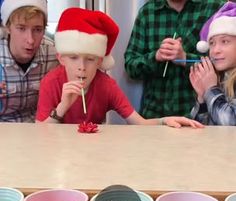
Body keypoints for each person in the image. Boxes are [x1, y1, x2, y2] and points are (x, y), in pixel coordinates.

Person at [36, 7, 202, 129]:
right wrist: (62, 108)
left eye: (90, 59)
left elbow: (138, 123)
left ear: (100, 61)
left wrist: (165, 120)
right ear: (61, 58)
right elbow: (41, 133)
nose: (82, 67)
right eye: (73, 58)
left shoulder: (106, 86)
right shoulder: (51, 83)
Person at [124, 0, 225, 119]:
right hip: (154, 117)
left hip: (201, 117)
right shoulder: (148, 12)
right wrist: (156, 56)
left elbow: (227, 63)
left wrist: (185, 58)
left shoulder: (214, 7)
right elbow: (130, 66)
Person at [0, 0, 58, 122]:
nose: (31, 40)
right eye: (21, 28)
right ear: (8, 28)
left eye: (37, 30)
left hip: (40, 130)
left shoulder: (54, 55)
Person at [190, 1, 236, 125]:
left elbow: (230, 122)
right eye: (211, 43)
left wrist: (210, 89)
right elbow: (201, 127)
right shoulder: (219, 77)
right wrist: (202, 98)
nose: (215, 50)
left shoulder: (213, 84)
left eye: (225, 41)